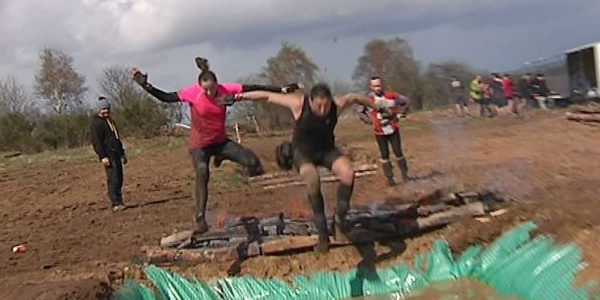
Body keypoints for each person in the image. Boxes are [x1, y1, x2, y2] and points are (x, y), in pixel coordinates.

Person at [131, 57, 297, 233]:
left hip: (220, 142)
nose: (209, 93)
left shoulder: (226, 90)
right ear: (199, 87)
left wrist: (282, 89)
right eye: (205, 90)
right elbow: (166, 98)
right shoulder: (192, 93)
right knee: (202, 171)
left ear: (218, 84)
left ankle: (222, 156)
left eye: (212, 89)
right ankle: (200, 218)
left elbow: (254, 88)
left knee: (253, 162)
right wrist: (146, 86)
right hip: (200, 145)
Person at [221, 84, 377, 254]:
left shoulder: (337, 105)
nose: (323, 110)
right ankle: (322, 233)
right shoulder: (298, 104)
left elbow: (354, 97)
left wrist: (377, 106)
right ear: (310, 101)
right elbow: (266, 96)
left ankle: (340, 218)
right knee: (312, 179)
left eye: (326, 105)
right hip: (303, 153)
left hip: (326, 150)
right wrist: (238, 97)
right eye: (318, 106)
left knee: (348, 173)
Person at [357, 76, 411, 187]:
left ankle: (405, 176)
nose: (377, 88)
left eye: (379, 85)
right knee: (384, 155)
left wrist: (401, 113)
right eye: (375, 86)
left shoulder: (392, 95)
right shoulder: (368, 100)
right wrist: (370, 121)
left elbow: (406, 101)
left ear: (382, 85)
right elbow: (360, 112)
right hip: (379, 131)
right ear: (371, 87)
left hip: (393, 128)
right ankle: (390, 178)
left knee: (398, 152)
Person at [90, 97, 127, 211]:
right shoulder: (96, 124)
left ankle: (120, 200)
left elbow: (116, 138)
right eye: (103, 109)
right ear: (98, 110)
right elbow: (96, 142)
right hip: (108, 154)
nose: (106, 111)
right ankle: (115, 202)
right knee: (113, 178)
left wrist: (122, 153)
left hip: (116, 153)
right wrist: (103, 156)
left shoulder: (110, 121)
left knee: (119, 178)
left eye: (107, 109)